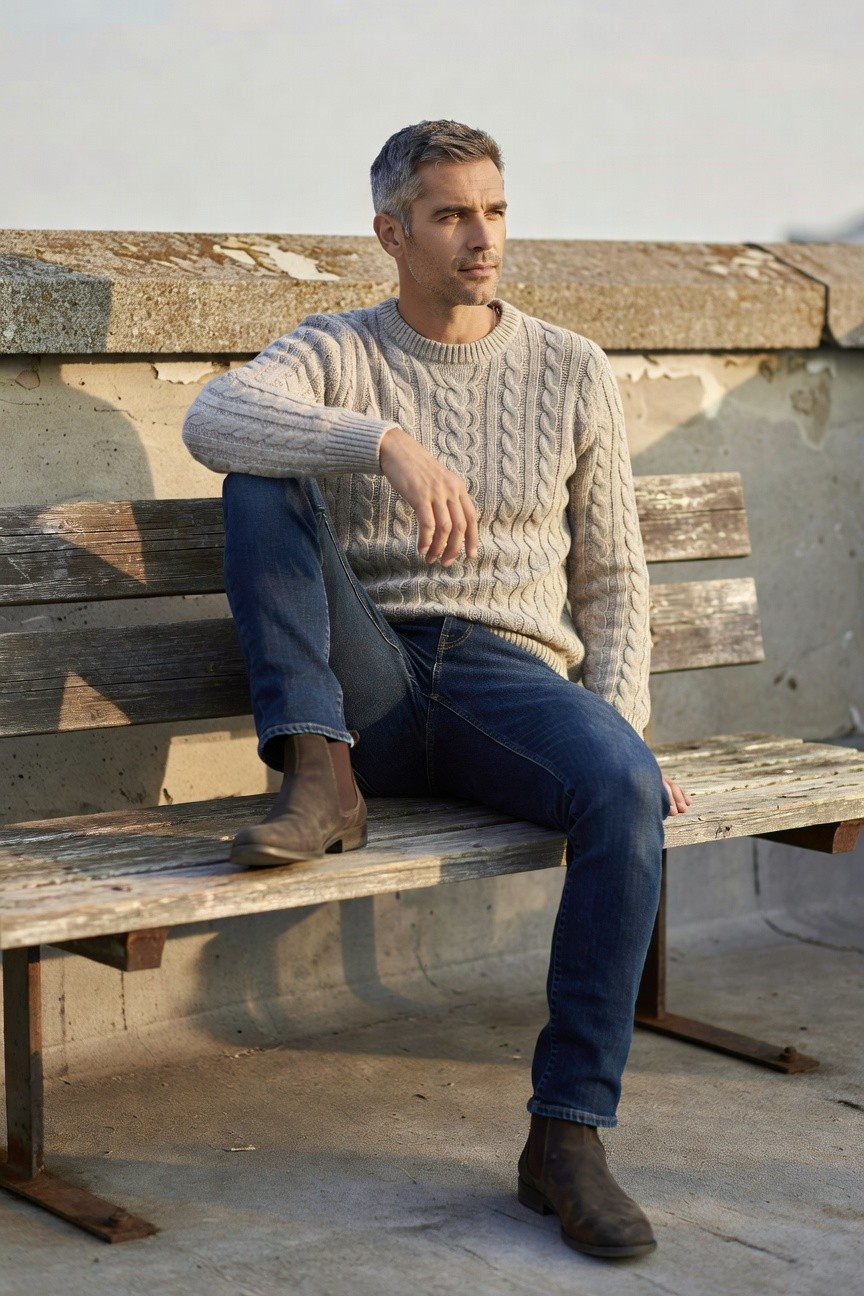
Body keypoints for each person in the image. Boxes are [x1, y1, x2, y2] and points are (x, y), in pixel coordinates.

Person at [182, 119, 690, 1261]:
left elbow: (613, 573)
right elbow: (212, 418)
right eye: (452, 213)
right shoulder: (336, 348)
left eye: (495, 210)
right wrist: (385, 444)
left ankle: (567, 1136)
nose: (482, 236)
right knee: (260, 476)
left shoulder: (569, 366)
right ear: (391, 232)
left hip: (506, 680)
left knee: (623, 790)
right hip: (363, 681)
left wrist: (621, 731)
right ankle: (318, 776)